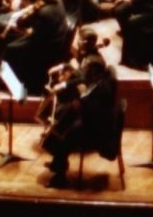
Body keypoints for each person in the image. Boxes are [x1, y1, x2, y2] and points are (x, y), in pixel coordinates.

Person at [42, 54, 118, 188]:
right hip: (94, 121)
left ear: (93, 71)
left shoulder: (101, 89)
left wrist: (79, 107)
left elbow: (94, 115)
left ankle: (60, 177)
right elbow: (82, 82)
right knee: (64, 126)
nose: (83, 72)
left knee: (64, 138)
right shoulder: (100, 79)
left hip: (98, 131)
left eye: (85, 69)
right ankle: (58, 162)